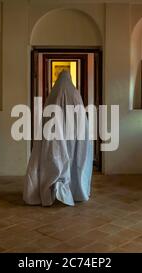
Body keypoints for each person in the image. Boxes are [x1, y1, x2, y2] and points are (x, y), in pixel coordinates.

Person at [24, 70, 93, 206]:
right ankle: (75, 190)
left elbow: (47, 117)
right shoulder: (75, 93)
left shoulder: (54, 94)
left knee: (55, 157)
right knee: (75, 159)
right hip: (74, 136)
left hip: (55, 135)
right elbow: (81, 119)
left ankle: (52, 187)